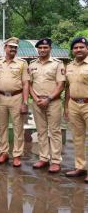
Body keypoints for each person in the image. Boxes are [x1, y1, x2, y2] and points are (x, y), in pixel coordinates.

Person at [29, 38, 65, 173]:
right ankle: (43, 158)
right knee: (41, 131)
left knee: (54, 131)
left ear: (50, 48)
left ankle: (55, 160)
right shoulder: (32, 65)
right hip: (37, 102)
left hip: (53, 102)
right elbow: (29, 84)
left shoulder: (57, 64)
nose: (43, 50)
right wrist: (36, 98)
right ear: (37, 49)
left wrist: (48, 99)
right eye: (40, 48)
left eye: (45, 47)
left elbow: (61, 85)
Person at [0, 37, 30, 167]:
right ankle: (3, 153)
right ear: (5, 48)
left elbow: (26, 84)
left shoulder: (22, 63)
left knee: (18, 127)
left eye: (15, 48)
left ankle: (17, 155)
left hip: (17, 97)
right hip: (1, 98)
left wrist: (25, 102)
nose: (13, 49)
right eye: (11, 47)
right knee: (2, 127)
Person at [64, 37, 88, 182]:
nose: (78, 50)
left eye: (81, 47)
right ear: (72, 51)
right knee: (77, 138)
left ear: (87, 48)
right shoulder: (69, 66)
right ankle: (80, 167)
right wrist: (66, 106)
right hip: (73, 104)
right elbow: (67, 88)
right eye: (75, 48)